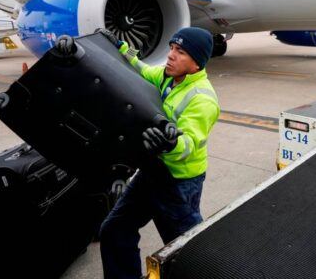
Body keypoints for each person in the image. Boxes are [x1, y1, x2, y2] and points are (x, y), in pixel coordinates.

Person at [88, 27, 220, 279]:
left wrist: (170, 144)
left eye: (180, 52)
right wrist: (121, 47)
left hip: (178, 182)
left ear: (196, 63)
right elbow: (143, 69)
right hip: (151, 171)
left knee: (184, 249)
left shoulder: (203, 99)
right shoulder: (167, 77)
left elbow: (190, 143)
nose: (171, 55)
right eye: (171, 48)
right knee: (114, 230)